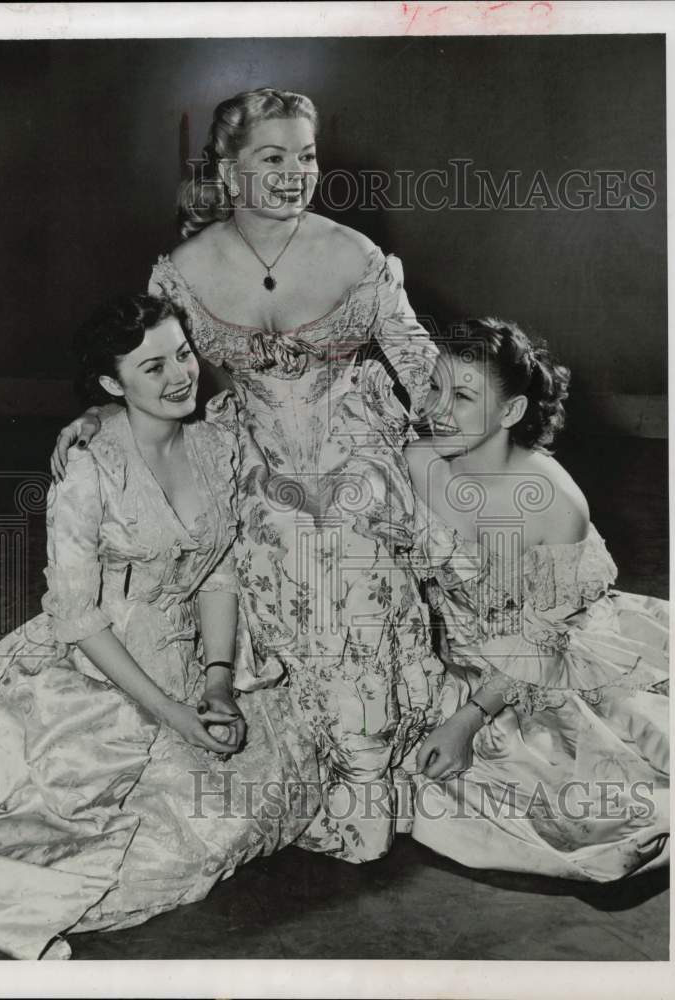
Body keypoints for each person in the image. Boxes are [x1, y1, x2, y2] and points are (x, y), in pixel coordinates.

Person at [51, 87, 443, 863]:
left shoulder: (358, 257)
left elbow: (424, 371)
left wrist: (493, 441)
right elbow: (145, 364)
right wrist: (98, 418)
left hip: (356, 459)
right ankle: (305, 759)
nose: (297, 172)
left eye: (306, 155)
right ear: (228, 173)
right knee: (260, 557)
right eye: (274, 157)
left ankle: (365, 768)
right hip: (250, 463)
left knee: (343, 560)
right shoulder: (181, 271)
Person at [0, 294, 320, 960]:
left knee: (271, 789)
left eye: (182, 354)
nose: (181, 375)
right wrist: (170, 713)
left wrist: (221, 680)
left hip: (192, 653)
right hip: (95, 668)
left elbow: (219, 572)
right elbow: (75, 615)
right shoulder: (88, 470)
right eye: (153, 368)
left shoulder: (214, 444)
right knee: (81, 834)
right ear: (112, 385)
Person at [404, 318, 669, 881]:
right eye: (433, 387)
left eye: (464, 396)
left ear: (510, 413)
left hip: (537, 652)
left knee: (576, 793)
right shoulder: (417, 462)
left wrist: (469, 720)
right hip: (442, 646)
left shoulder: (553, 501)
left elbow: (542, 642)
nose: (437, 410)